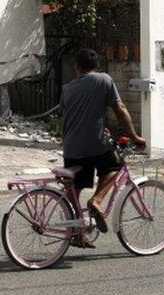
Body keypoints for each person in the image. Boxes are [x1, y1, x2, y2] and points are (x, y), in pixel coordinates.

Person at [59, 48, 146, 248]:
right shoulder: (104, 80)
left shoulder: (67, 88)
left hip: (71, 146)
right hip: (94, 144)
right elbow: (120, 109)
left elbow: (70, 116)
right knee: (115, 167)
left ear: (77, 67)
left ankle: (76, 234)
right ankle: (97, 200)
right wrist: (134, 136)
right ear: (96, 66)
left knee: (75, 188)